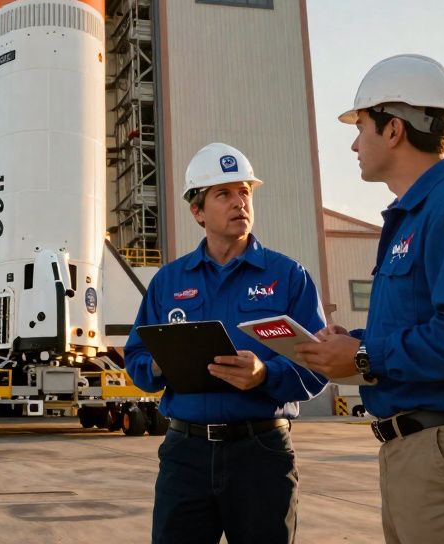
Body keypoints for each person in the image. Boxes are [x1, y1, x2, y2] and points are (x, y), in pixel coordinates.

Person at [295, 54, 444, 543]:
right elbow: (429, 326)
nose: (353, 142)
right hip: (424, 453)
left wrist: (364, 355)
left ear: (393, 130)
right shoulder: (417, 216)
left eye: (361, 125)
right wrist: (354, 345)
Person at [125, 142, 328, 544]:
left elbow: (318, 363)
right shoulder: (169, 282)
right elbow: (136, 358)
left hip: (261, 453)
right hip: (185, 454)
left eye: (244, 192)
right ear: (197, 211)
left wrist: (265, 375)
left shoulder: (288, 276)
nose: (240, 203)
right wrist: (161, 363)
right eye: (224, 194)